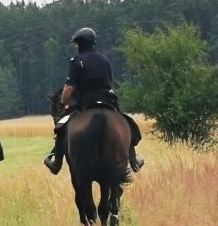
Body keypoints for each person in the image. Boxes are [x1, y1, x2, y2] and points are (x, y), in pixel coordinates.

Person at [43, 27, 144, 175]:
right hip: (108, 100)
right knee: (126, 123)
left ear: (80, 44)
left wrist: (63, 101)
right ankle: (133, 159)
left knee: (61, 127)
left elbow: (69, 88)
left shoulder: (77, 61)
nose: (75, 47)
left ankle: (57, 162)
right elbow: (110, 82)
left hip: (85, 102)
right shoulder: (104, 59)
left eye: (76, 44)